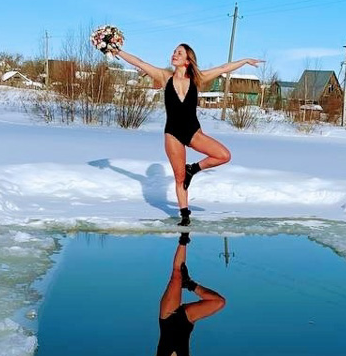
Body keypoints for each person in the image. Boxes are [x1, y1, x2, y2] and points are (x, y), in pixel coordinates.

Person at [99, 37, 259, 226]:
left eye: (179, 53)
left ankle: (193, 169)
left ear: (188, 60)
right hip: (173, 133)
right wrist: (116, 50)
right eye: (174, 52)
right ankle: (184, 214)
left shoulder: (198, 78)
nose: (174, 54)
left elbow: (223, 68)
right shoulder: (164, 76)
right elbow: (139, 62)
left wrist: (245, 61)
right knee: (179, 177)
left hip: (193, 131)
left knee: (224, 155)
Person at [83, 236, 252, 356]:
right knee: (219, 302)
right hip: (187, 320)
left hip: (168, 317)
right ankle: (190, 284)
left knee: (176, 275)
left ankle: (183, 238)